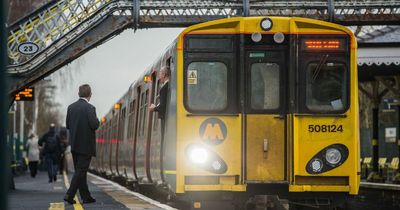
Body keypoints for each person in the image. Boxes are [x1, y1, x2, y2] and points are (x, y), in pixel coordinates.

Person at [64, 84, 99, 205]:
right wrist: (97, 119)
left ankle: (86, 196)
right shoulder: (90, 108)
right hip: (86, 146)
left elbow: (68, 125)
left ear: (79, 94)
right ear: (90, 95)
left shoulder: (71, 107)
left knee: (81, 172)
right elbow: (94, 125)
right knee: (80, 171)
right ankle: (69, 195)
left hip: (74, 145)